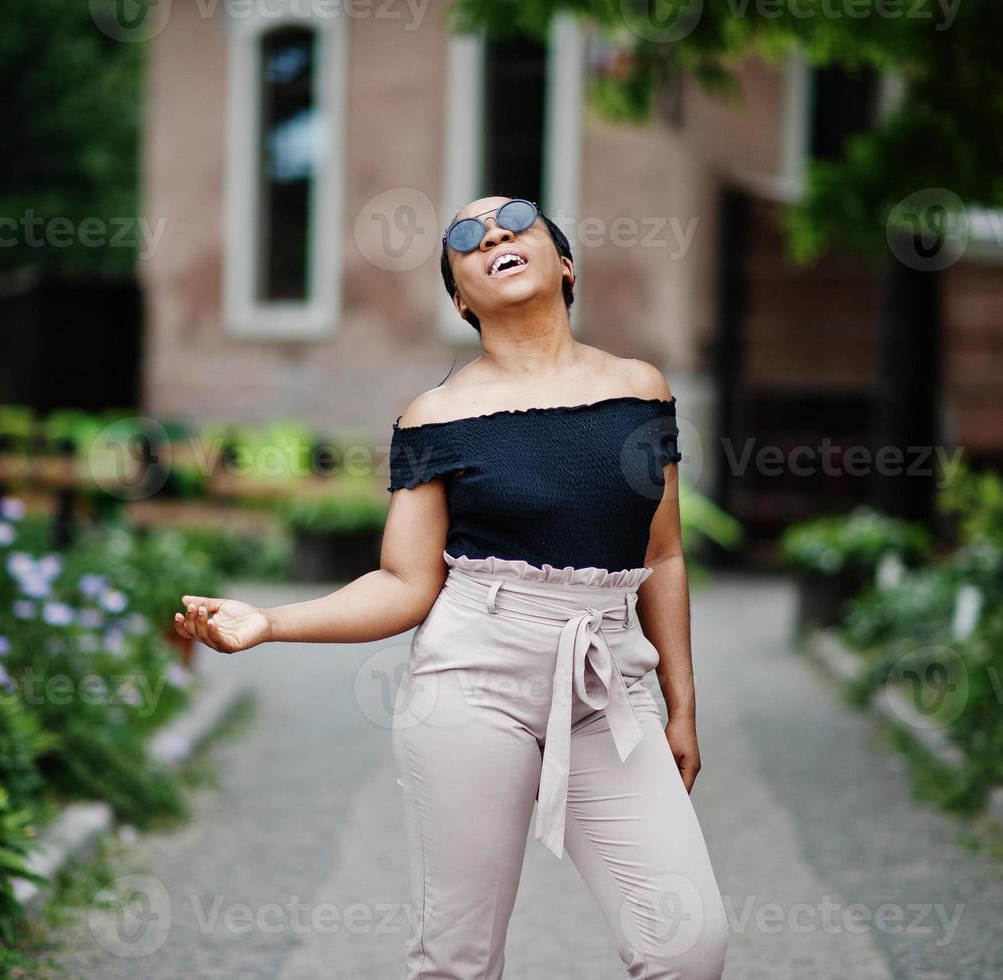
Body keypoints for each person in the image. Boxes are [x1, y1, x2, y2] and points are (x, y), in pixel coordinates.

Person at [173, 195, 730, 979]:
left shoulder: (639, 390)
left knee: (688, 942)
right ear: (460, 298)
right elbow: (405, 583)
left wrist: (682, 706)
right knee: (458, 958)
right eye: (465, 238)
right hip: (474, 679)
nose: (494, 234)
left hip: (609, 683)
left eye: (517, 220)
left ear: (564, 263)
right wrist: (268, 621)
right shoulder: (437, 416)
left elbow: (663, 556)